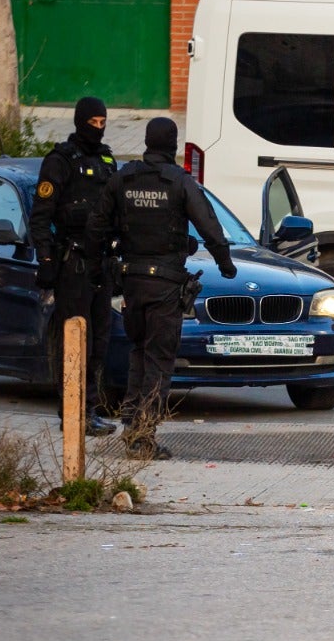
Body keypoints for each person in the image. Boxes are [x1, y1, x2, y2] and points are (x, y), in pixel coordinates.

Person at [86, 117, 237, 460]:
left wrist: (99, 267)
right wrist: (225, 263)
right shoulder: (179, 182)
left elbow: (96, 224)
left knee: (139, 352)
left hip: (131, 283)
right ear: (171, 145)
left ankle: (131, 424)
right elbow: (209, 224)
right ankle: (143, 436)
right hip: (165, 286)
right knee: (158, 360)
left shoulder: (123, 178)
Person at [30, 97, 120, 437]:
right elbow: (40, 218)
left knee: (99, 341)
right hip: (73, 264)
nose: (98, 128)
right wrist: (47, 260)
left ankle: (90, 410)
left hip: (102, 264)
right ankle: (72, 411)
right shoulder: (60, 162)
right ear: (80, 121)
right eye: (92, 122)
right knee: (75, 340)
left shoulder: (108, 160)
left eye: (102, 122)